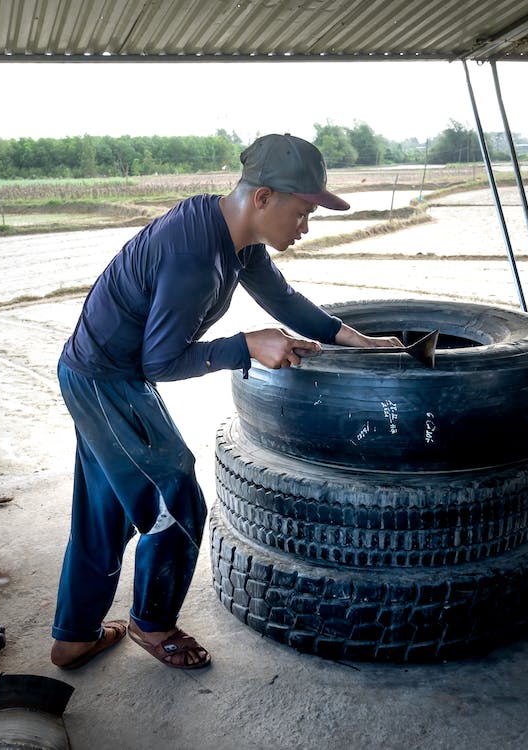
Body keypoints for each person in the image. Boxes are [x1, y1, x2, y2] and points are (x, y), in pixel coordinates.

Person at [49, 133, 401, 670]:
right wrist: (246, 346)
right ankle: (153, 623)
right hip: (107, 380)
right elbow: (160, 363)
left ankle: (73, 636)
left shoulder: (232, 235)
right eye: (304, 211)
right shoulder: (194, 257)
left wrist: (354, 338)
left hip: (98, 373)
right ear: (263, 198)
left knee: (106, 510)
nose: (306, 227)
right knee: (174, 494)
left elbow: (283, 299)